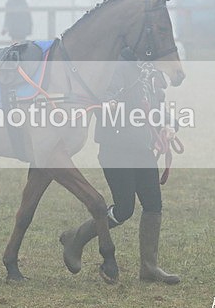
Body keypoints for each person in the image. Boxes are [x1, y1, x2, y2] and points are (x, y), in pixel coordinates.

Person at [59, 61, 180, 284]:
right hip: (116, 150)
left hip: (142, 149)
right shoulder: (114, 68)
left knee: (154, 205)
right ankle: (77, 238)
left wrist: (169, 125)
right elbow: (104, 97)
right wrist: (109, 103)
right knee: (124, 209)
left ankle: (149, 268)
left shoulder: (149, 72)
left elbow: (158, 108)